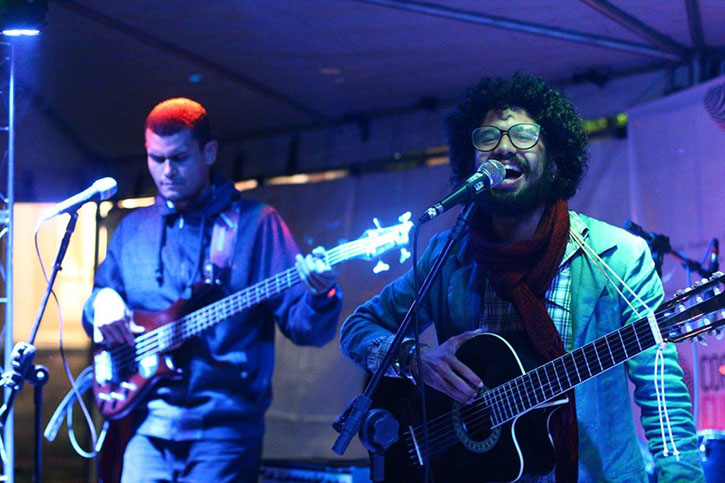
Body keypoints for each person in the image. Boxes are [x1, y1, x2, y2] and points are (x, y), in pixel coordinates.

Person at [339, 74, 704, 482]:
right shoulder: (449, 256)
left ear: (555, 159)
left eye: (524, 135)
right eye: (488, 136)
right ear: (470, 160)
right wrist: (413, 359)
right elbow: (357, 327)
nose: (504, 146)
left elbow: (661, 393)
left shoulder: (618, 256)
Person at [82, 97, 343, 482]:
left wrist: (321, 296)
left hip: (224, 434)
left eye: (179, 158)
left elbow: (307, 329)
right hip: (146, 425)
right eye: (156, 158)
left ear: (209, 152)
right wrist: (101, 302)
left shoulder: (256, 225)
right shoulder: (133, 229)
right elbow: (100, 300)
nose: (167, 171)